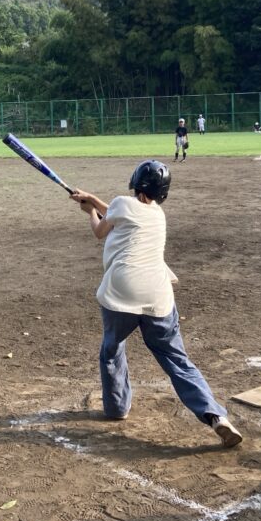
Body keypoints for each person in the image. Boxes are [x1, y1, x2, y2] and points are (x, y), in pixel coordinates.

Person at [70, 160, 242, 448]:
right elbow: (118, 211)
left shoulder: (120, 204)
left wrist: (90, 212)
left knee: (112, 349)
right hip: (157, 294)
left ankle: (117, 408)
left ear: (135, 182)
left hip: (120, 293)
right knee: (177, 360)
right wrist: (93, 200)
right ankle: (215, 416)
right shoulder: (157, 214)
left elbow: (101, 230)